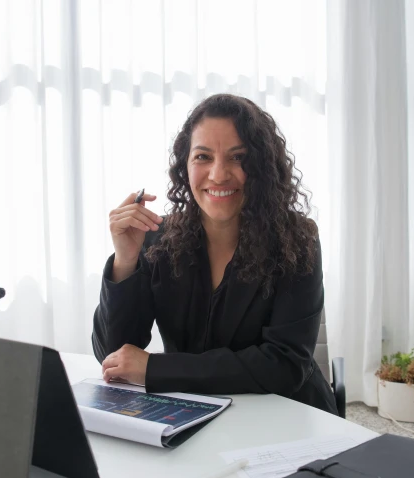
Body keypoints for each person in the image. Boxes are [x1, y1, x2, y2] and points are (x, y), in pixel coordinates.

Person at [92, 93, 337, 414]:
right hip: (191, 412)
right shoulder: (159, 238)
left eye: (238, 157)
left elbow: (285, 364)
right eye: (203, 157)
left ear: (262, 166)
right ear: (185, 166)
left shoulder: (297, 238)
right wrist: (126, 261)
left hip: (285, 413)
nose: (219, 174)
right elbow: (114, 355)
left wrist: (156, 369)